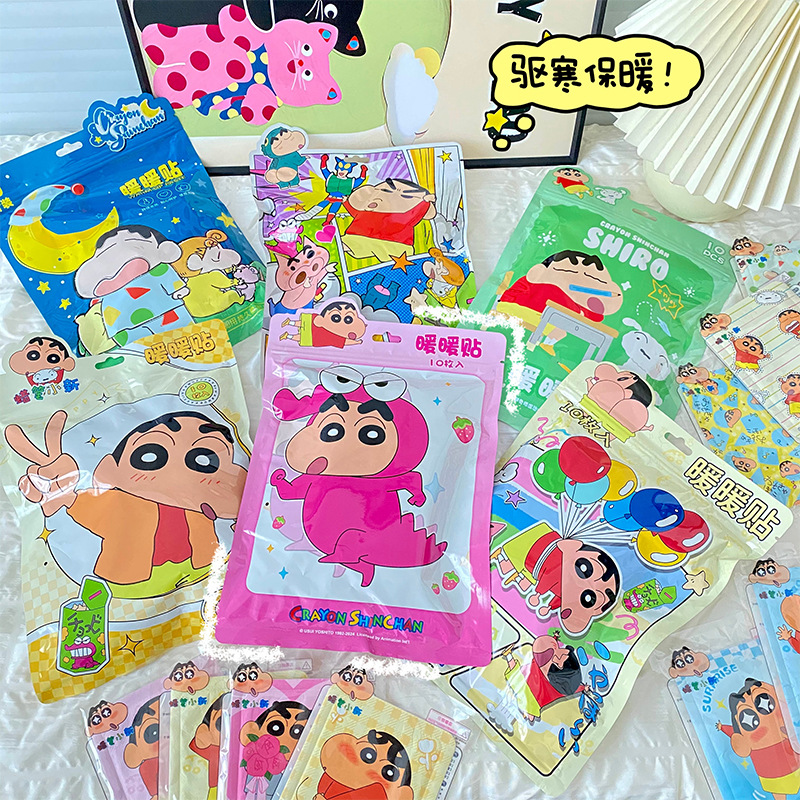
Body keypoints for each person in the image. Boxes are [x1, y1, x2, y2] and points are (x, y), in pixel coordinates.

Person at [4, 409, 247, 597]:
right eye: (151, 456)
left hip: (202, 569)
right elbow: (87, 507)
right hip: (132, 582)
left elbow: (231, 505)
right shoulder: (120, 502)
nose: (177, 473)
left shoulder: (201, 505)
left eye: (204, 460)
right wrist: (61, 493)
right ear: (110, 468)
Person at [717, 679, 800, 800]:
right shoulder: (743, 739)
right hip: (771, 775)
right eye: (749, 721)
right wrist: (723, 728)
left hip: (793, 765)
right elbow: (734, 732)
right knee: (778, 792)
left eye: (766, 705)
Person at [341, 179, 436, 262]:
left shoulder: (403, 216)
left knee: (396, 256)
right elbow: (355, 212)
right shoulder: (366, 211)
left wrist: (425, 202)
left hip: (393, 243)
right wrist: (346, 202)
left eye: (406, 196)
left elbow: (415, 213)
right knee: (348, 243)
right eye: (385, 191)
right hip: (360, 237)